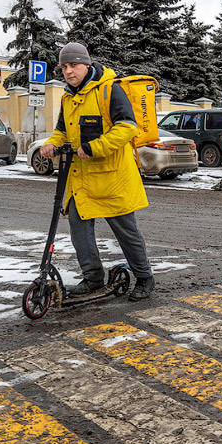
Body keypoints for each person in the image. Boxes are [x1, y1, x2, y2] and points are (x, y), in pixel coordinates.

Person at [39, 42, 155, 301]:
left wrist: (94, 147)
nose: (69, 71)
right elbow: (62, 130)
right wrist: (52, 144)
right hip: (81, 180)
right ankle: (92, 279)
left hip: (112, 177)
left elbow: (127, 127)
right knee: (79, 232)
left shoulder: (109, 90)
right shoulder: (68, 96)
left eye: (74, 65)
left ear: (87, 64)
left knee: (126, 232)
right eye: (64, 67)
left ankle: (145, 277)